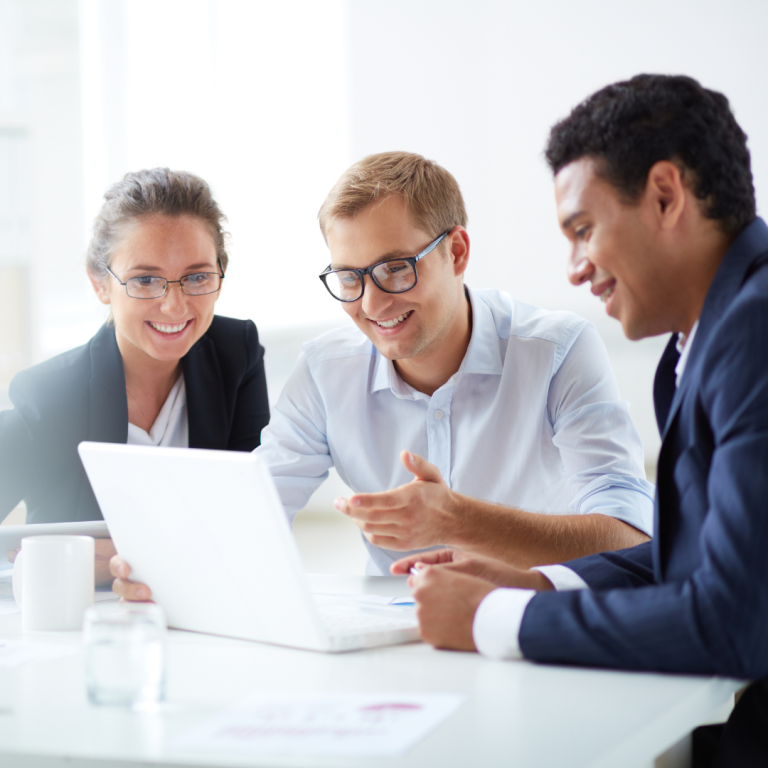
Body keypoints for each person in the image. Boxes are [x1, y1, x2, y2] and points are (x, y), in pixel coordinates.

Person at [401, 75, 768, 766]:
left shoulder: (755, 331)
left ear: (665, 195)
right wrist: (538, 581)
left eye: (582, 230)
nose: (574, 269)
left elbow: (736, 620)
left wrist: (492, 619)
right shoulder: (699, 342)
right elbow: (703, 560)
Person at [111, 151, 653, 600]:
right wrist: (153, 566)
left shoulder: (557, 352)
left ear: (457, 252)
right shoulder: (327, 371)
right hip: (397, 635)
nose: (372, 302)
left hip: (537, 625)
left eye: (395, 268)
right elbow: (254, 509)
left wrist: (458, 521)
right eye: (349, 277)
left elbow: (630, 538)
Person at [0, 168, 270, 581]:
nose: (175, 306)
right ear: (100, 284)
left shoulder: (236, 354)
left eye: (197, 277)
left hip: (202, 614)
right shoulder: (52, 397)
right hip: (82, 624)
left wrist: (136, 553)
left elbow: (255, 518)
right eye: (145, 279)